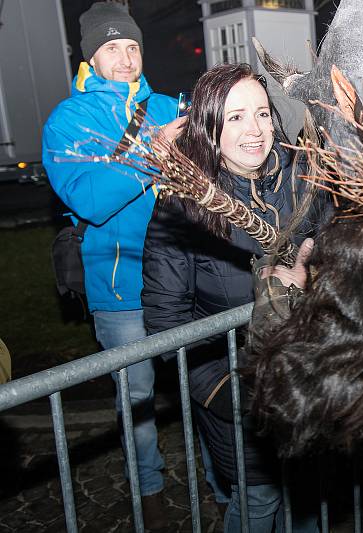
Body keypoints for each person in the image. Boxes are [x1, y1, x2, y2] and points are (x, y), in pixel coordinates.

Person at [141, 62, 326, 533]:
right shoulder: (183, 207)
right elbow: (166, 323)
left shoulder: (303, 182)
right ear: (209, 127)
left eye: (263, 114)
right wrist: (229, 394)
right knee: (261, 501)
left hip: (309, 381)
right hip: (238, 393)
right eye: (236, 117)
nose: (255, 130)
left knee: (308, 502)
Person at [42, 3, 178, 528]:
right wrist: (154, 154)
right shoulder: (69, 120)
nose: (125, 58)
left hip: (183, 279)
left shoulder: (167, 107)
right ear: (90, 57)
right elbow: (91, 199)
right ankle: (149, 488)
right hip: (120, 286)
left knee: (210, 381)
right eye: (112, 48)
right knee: (138, 395)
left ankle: (228, 478)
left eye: (132, 47)